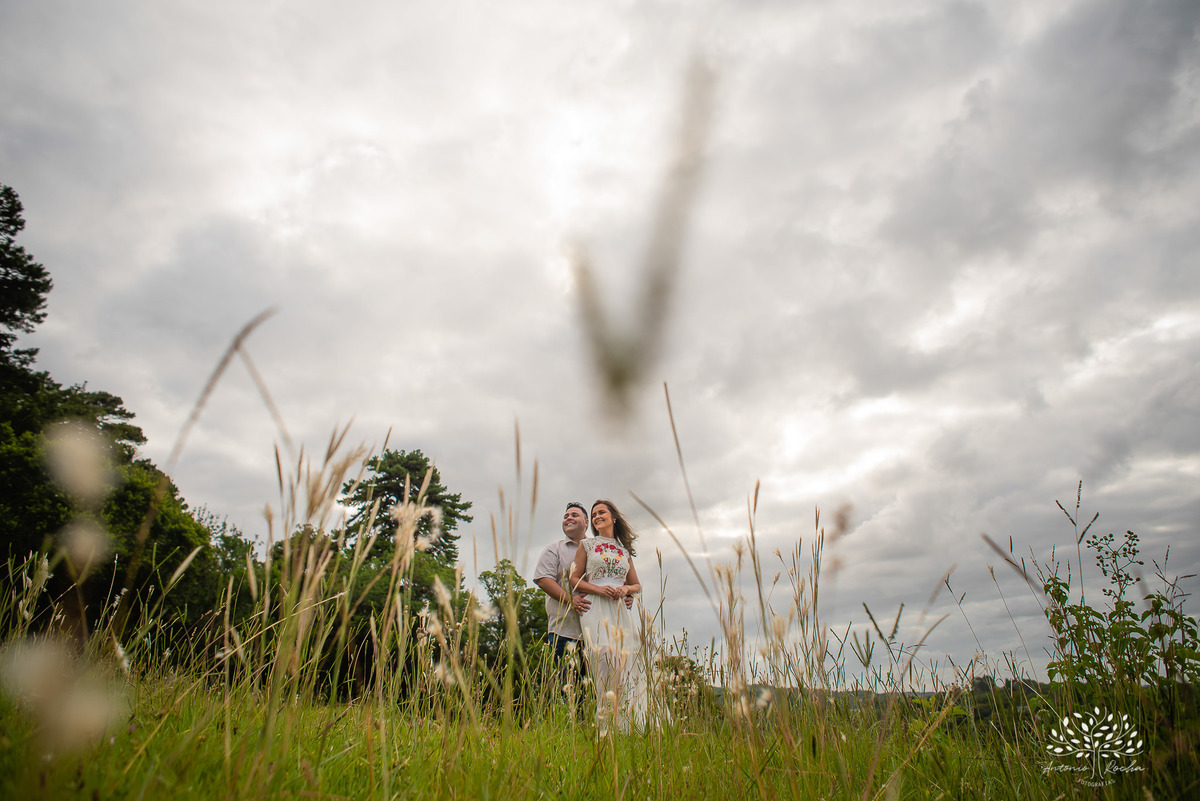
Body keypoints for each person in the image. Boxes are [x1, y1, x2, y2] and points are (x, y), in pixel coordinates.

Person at [569, 499, 649, 734]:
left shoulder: (624, 551)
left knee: (625, 663)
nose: (596, 517)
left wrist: (625, 590)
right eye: (593, 514)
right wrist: (597, 589)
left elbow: (636, 585)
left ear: (614, 517)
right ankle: (606, 726)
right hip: (595, 607)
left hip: (619, 611)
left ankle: (627, 724)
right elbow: (574, 579)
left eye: (601, 512)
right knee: (603, 659)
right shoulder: (587, 544)